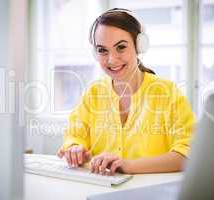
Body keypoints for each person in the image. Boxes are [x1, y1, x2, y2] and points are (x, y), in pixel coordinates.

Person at [57, 8, 195, 176]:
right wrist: (74, 149)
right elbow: (74, 136)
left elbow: (188, 155)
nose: (111, 59)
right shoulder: (94, 93)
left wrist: (128, 165)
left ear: (139, 46)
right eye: (102, 50)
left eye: (121, 47)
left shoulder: (167, 93)